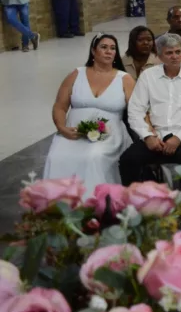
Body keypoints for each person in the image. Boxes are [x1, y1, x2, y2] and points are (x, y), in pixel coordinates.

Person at [44, 35, 134, 195]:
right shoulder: (76, 74)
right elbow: (60, 106)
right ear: (93, 51)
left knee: (94, 156)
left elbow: (137, 110)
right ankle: (59, 204)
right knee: (57, 156)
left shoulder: (124, 78)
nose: (109, 51)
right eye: (104, 47)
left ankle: (94, 204)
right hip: (73, 132)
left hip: (109, 135)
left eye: (113, 48)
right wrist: (62, 128)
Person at [120, 33, 181, 184]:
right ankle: (138, 202)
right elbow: (135, 111)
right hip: (156, 136)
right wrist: (147, 136)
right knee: (128, 160)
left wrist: (178, 138)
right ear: (160, 56)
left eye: (178, 52)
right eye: (169, 53)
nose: (174, 56)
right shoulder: (148, 76)